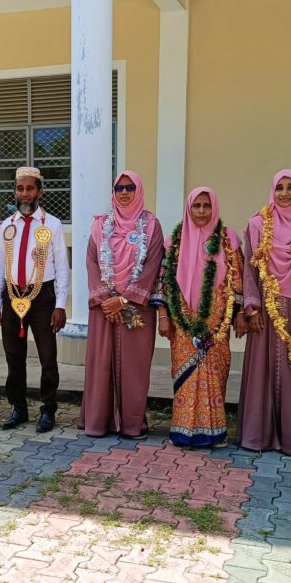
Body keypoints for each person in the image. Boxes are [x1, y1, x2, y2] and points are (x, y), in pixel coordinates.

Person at [236, 169, 291, 456]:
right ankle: (258, 435)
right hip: (265, 308)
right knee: (261, 373)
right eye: (279, 188)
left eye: (290, 187)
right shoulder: (257, 224)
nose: (284, 193)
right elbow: (249, 268)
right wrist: (251, 308)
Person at [155, 187, 244, 448]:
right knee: (186, 372)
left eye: (207, 205)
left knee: (214, 372)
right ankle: (183, 431)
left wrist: (239, 314)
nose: (202, 211)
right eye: (197, 206)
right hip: (183, 320)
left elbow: (238, 279)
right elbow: (163, 281)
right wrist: (163, 315)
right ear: (189, 208)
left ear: (214, 207)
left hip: (217, 320)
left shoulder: (227, 239)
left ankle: (215, 433)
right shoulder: (175, 242)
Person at [78, 171, 164, 439]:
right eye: (119, 188)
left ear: (138, 191)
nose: (124, 192)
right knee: (101, 364)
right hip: (104, 308)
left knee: (134, 367)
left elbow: (152, 266)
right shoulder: (100, 225)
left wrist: (124, 299)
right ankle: (98, 421)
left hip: (137, 308)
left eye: (129, 188)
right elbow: (92, 262)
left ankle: (131, 424)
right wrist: (106, 299)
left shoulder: (151, 226)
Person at [0, 167, 69, 433]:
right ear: (15, 192)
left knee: (48, 356)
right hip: (12, 295)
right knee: (14, 355)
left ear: (40, 192)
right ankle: (18, 408)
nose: (24, 194)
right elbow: (0, 267)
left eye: (30, 189)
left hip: (43, 297)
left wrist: (60, 305)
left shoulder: (52, 224)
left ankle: (48, 409)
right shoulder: (7, 224)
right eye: (20, 189)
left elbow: (62, 267)